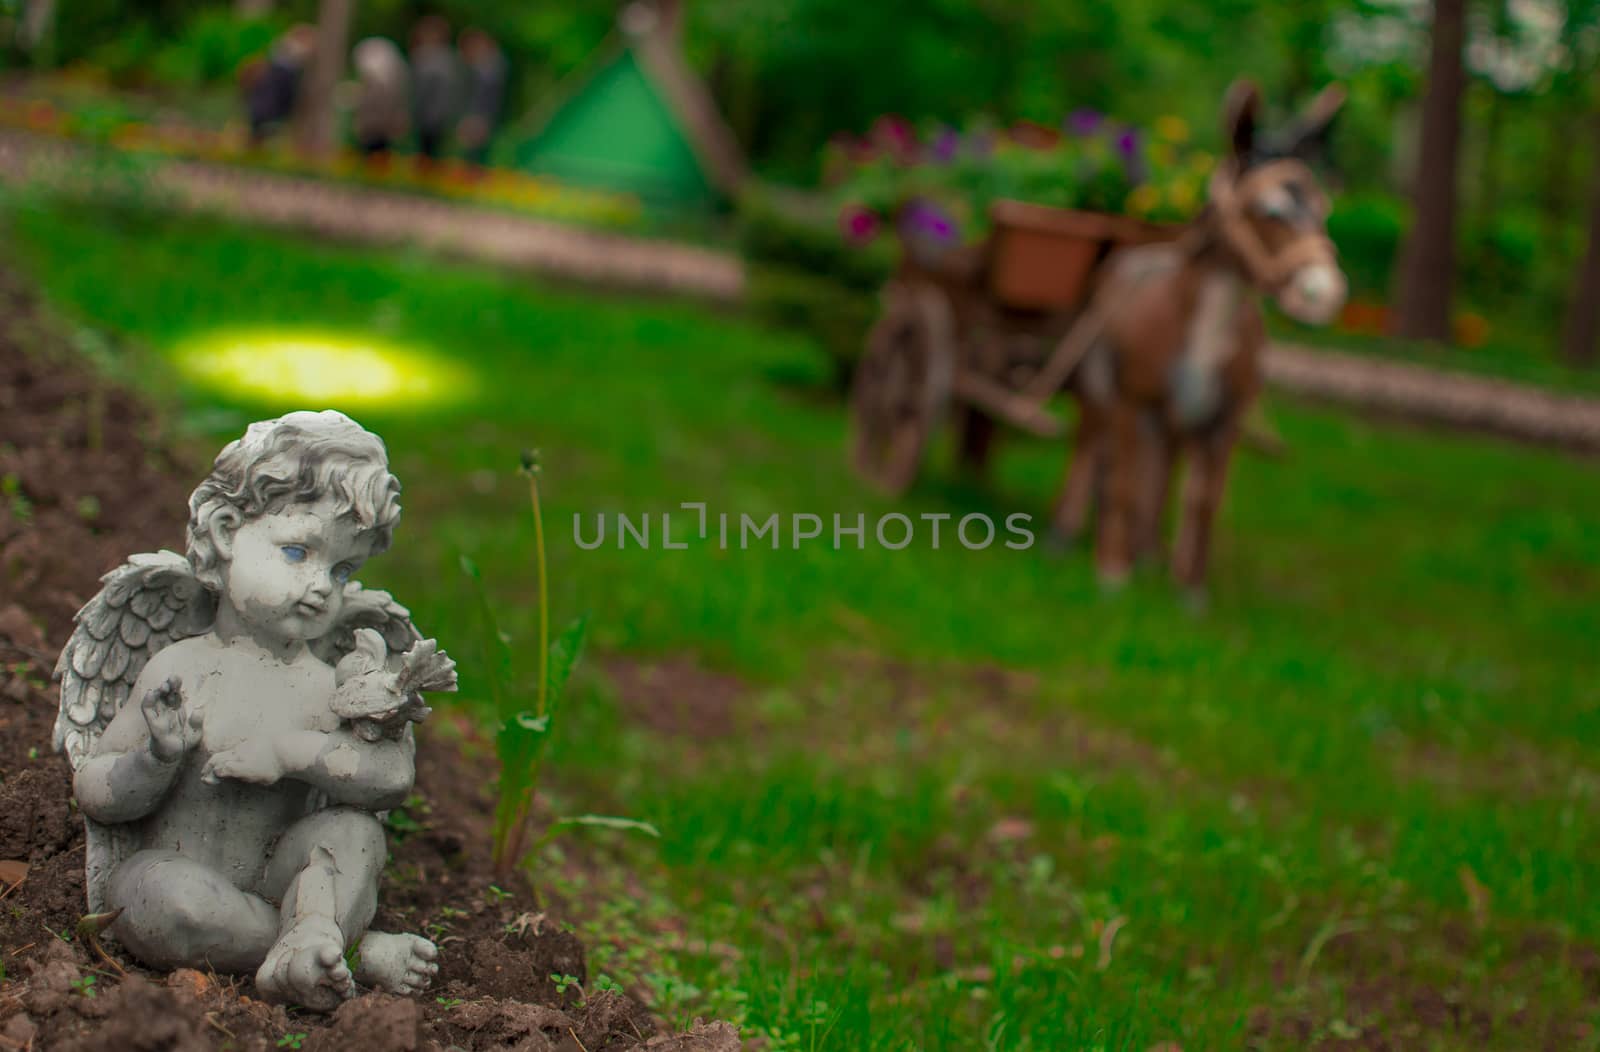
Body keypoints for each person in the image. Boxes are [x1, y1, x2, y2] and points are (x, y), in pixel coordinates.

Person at [61, 412, 445, 1009]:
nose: (323, 586)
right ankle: (341, 951)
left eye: (343, 570)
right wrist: (154, 757)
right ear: (224, 531)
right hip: (181, 876)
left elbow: (390, 780)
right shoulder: (178, 670)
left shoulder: (331, 685)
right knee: (149, 896)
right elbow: (95, 790)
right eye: (297, 551)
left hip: (282, 876)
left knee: (352, 833)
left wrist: (292, 752)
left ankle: (311, 936)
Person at [241, 24, 317, 146]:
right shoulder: (286, 67)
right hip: (270, 113)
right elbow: (285, 93)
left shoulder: (277, 60)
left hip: (262, 110)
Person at [408, 15, 461, 162]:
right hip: (428, 113)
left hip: (434, 114)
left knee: (430, 152)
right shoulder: (444, 58)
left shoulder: (437, 58)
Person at [456, 28, 507, 167]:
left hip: (480, 117)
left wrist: (477, 118)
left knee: (475, 155)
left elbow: (484, 98)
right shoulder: (494, 65)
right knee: (476, 154)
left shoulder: (488, 69)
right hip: (484, 117)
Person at [351, 37, 410, 157]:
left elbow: (374, 107)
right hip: (377, 127)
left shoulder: (381, 83)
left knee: (375, 155)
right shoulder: (392, 80)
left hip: (375, 128)